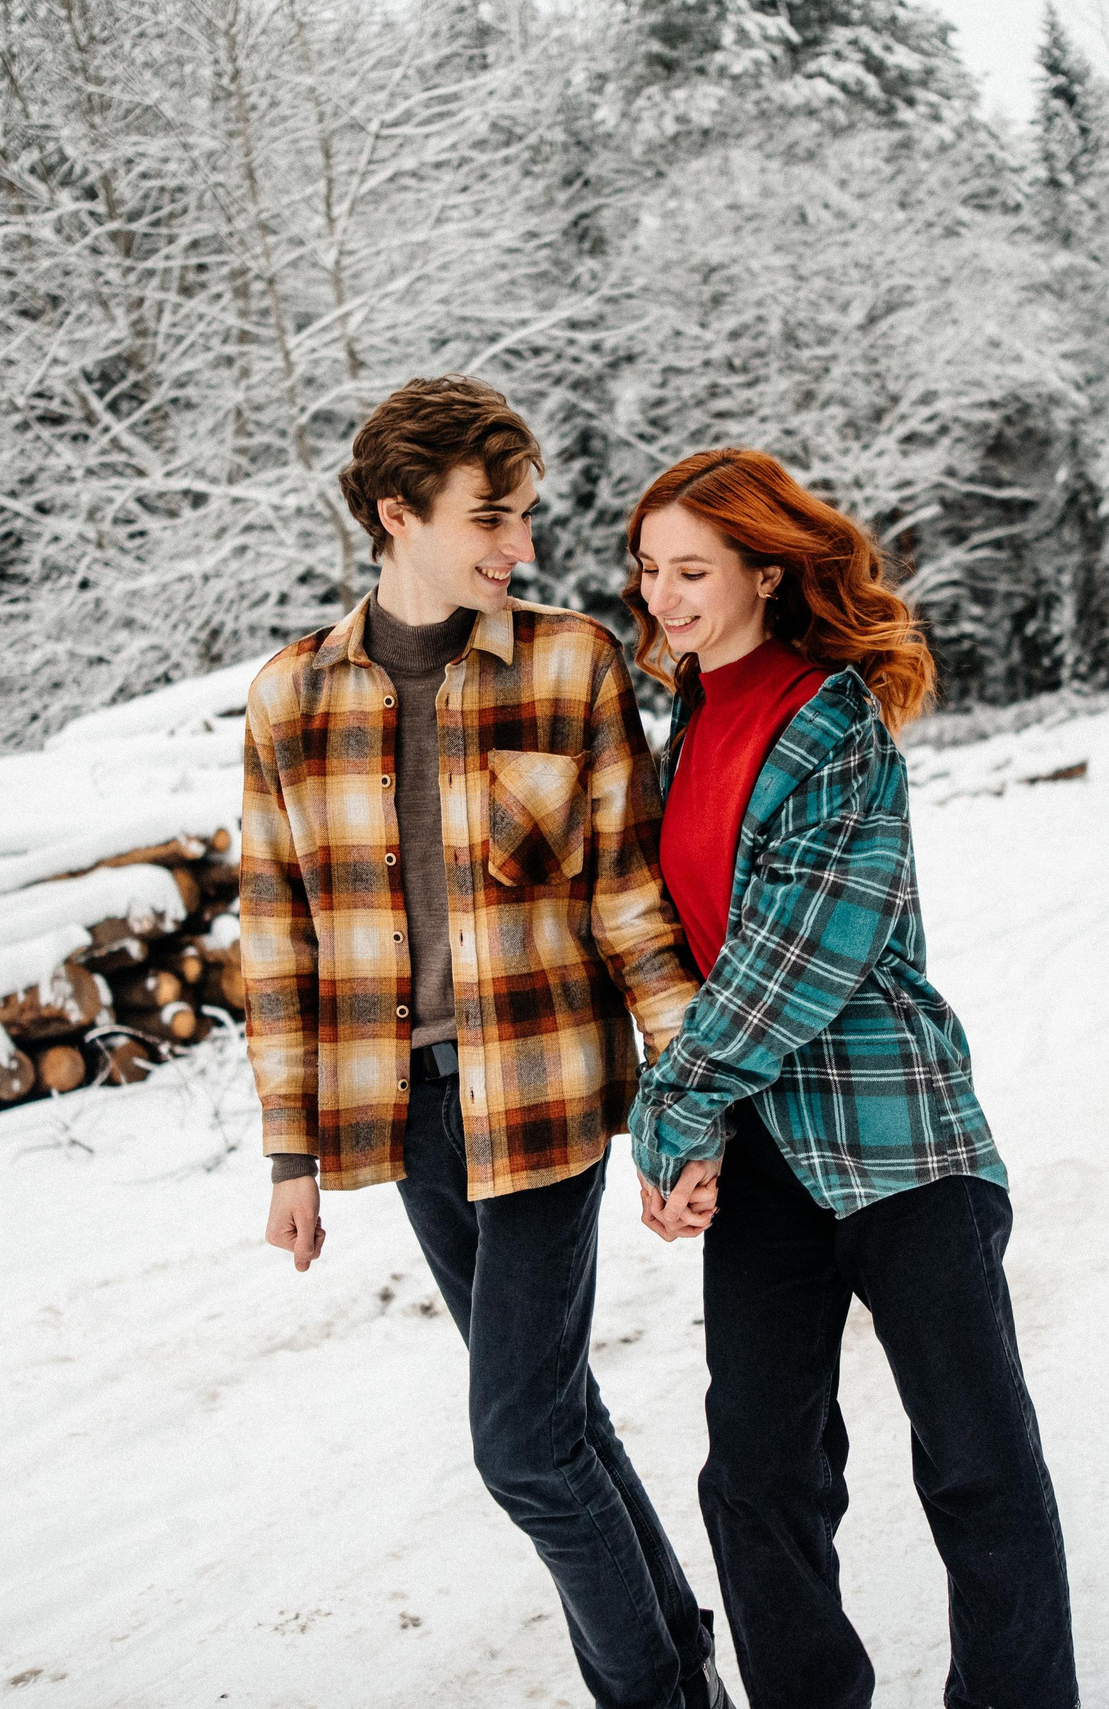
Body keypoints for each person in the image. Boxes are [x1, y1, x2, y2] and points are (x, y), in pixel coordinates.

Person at [239, 376, 733, 1709]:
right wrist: (290, 1150)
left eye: (521, 516)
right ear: (400, 513)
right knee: (556, 1416)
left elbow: (631, 904)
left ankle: (655, 1697)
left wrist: (686, 1105)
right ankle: (680, 1656)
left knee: (518, 1444)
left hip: (546, 1098)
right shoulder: (291, 698)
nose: (519, 544)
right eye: (490, 516)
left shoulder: (567, 662)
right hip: (402, 1117)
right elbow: (277, 941)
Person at [622, 448, 1079, 1709]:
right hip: (763, 1153)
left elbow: (796, 959)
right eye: (651, 569)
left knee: (976, 1460)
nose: (663, 595)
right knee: (757, 1476)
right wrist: (699, 1118)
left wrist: (669, 1104)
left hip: (896, 1139)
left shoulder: (831, 720)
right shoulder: (684, 716)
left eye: (693, 570)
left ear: (767, 572)